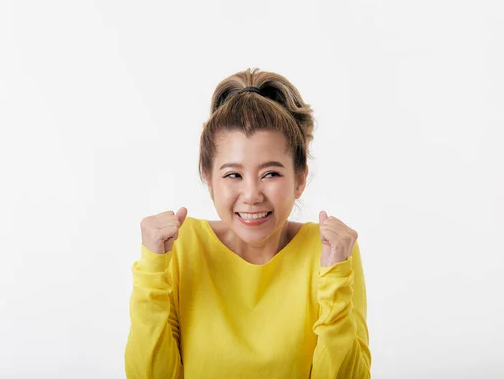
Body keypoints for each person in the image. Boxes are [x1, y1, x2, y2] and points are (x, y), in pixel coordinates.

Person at [124, 68, 371, 378]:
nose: (252, 195)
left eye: (271, 173)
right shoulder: (180, 245)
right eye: (233, 175)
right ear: (208, 180)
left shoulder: (330, 251)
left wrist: (335, 275)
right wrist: (152, 269)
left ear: (300, 179)